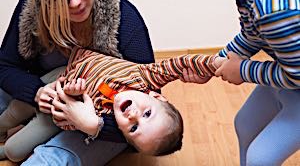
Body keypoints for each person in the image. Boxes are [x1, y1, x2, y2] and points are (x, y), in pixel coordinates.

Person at [0, 0, 157, 164]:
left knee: (47, 161)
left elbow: (150, 109)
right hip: (49, 99)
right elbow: (5, 66)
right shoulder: (31, 7)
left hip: (105, 118)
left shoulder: (125, 19)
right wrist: (36, 92)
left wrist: (94, 124)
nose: (74, 3)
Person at [0, 46, 225, 160]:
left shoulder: (99, 113)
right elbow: (181, 64)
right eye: (147, 114)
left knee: (14, 150)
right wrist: (214, 64)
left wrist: (71, 97)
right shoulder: (145, 76)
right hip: (61, 73)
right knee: (15, 110)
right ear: (157, 96)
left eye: (133, 128)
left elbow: (64, 122)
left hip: (57, 103)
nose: (133, 115)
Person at [185, 0, 300, 165]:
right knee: (245, 124)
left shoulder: (276, 11)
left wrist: (242, 70)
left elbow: (296, 75)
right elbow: (253, 35)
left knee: (260, 159)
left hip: (294, 77)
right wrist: (213, 65)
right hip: (290, 73)